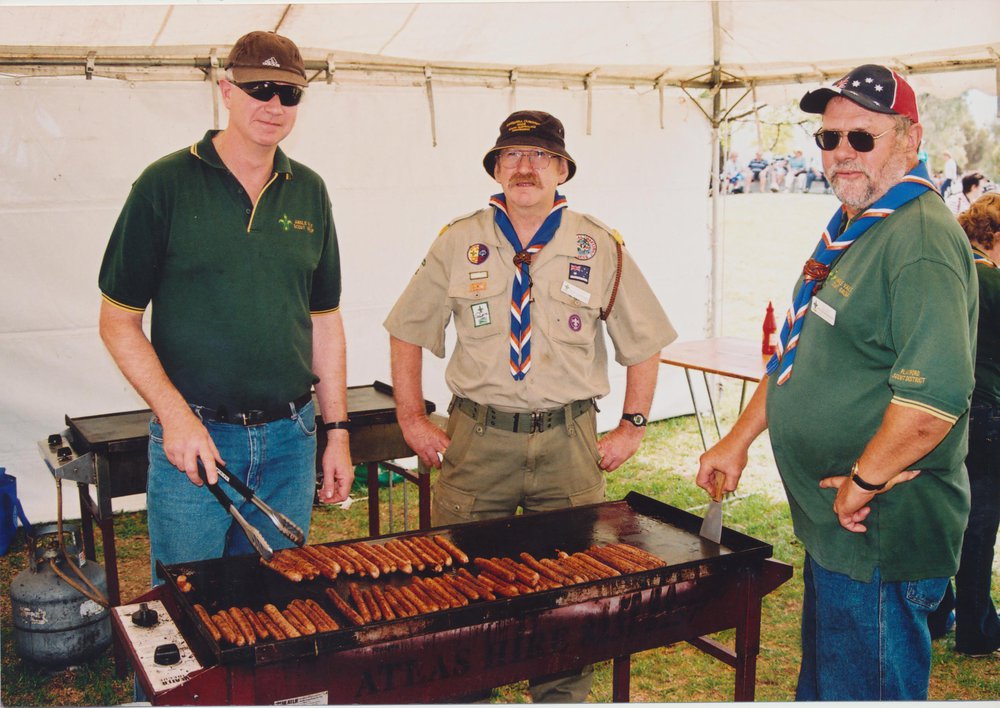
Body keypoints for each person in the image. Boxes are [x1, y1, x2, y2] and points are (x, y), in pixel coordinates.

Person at [696, 64, 976, 700]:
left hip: (877, 526)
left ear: (910, 139)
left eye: (863, 138)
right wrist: (737, 440)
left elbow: (933, 400)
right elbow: (798, 351)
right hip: (837, 526)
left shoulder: (920, 238)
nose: (842, 152)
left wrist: (863, 481)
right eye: (829, 139)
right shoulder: (857, 226)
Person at [384, 109, 676, 702]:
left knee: (571, 592)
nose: (525, 167)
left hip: (568, 443)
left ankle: (560, 696)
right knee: (461, 587)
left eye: (541, 156)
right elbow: (407, 329)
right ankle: (467, 694)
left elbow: (644, 341)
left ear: (562, 170)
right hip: (477, 441)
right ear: (495, 168)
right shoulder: (457, 241)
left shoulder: (599, 245)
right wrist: (412, 418)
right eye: (513, 155)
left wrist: (632, 427)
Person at [98, 31, 353, 583]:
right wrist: (175, 418)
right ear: (226, 91)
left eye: (289, 95)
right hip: (200, 439)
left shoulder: (309, 190)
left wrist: (337, 433)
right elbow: (117, 322)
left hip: (292, 438)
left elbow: (324, 322)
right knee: (187, 605)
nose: (274, 105)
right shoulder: (164, 184)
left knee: (272, 605)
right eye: (259, 88)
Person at [945, 193, 1000, 657]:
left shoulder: (959, 270)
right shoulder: (991, 280)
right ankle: (977, 629)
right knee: (979, 526)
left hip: (950, 411)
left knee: (949, 515)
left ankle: (939, 609)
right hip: (987, 415)